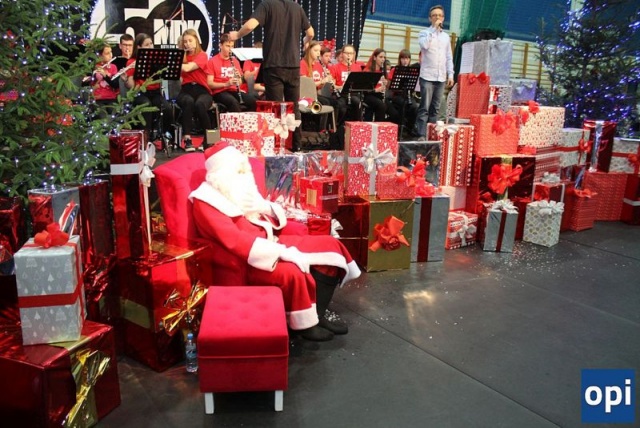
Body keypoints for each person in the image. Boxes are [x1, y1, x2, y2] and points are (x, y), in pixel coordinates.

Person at [190, 142, 361, 341]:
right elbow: (235, 241)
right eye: (239, 170)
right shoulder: (206, 202)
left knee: (330, 245)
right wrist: (282, 252)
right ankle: (305, 325)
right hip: (250, 258)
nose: (245, 173)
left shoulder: (237, 188)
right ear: (221, 174)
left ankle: (318, 314)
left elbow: (264, 220)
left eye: (244, 168)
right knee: (293, 272)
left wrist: (265, 207)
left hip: (269, 239)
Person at [229, 0, 314, 151]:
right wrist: (305, 41)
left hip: (274, 65)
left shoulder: (267, 5)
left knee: (276, 108)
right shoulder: (297, 7)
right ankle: (296, 146)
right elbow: (311, 33)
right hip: (293, 65)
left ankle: (277, 146)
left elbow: (250, 25)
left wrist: (237, 35)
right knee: (294, 107)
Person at [122, 33, 173, 141]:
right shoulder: (132, 62)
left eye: (151, 43)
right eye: (147, 45)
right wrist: (126, 79)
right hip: (140, 93)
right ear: (139, 47)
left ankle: (162, 135)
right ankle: (145, 139)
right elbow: (132, 86)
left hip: (155, 93)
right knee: (146, 106)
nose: (150, 47)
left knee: (167, 109)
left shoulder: (157, 60)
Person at [414, 4, 454, 139]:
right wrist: (433, 30)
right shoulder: (424, 33)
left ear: (443, 18)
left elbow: (449, 57)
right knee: (424, 107)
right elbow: (424, 46)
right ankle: (421, 134)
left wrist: (451, 74)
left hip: (441, 76)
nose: (438, 18)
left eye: (440, 15)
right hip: (427, 76)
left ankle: (431, 134)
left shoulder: (446, 37)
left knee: (435, 108)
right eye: (435, 15)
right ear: (430, 18)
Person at [176, 29, 213, 152]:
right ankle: (187, 139)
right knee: (188, 101)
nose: (187, 44)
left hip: (202, 90)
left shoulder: (202, 55)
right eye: (185, 42)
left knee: (200, 104)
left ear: (196, 40)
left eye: (190, 40)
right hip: (186, 90)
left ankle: (209, 139)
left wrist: (172, 63)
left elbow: (188, 68)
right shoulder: (181, 57)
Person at [207, 33, 257, 112]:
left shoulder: (235, 61)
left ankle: (247, 120)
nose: (230, 49)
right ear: (220, 45)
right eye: (227, 46)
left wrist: (238, 79)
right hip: (219, 92)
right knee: (233, 102)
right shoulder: (212, 61)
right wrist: (226, 84)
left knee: (252, 101)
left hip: (233, 91)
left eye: (232, 46)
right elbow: (210, 84)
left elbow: (240, 82)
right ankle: (237, 120)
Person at [386, 49, 419, 138]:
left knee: (414, 107)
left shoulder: (412, 71)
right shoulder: (395, 70)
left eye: (407, 58)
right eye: (403, 58)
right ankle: (400, 128)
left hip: (408, 95)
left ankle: (410, 128)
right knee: (403, 104)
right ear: (400, 59)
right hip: (397, 95)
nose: (405, 61)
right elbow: (389, 85)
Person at [331, 44, 362, 121]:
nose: (349, 55)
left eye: (351, 53)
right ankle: (338, 126)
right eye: (346, 53)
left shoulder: (357, 67)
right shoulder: (335, 67)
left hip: (353, 94)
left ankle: (356, 124)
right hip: (340, 94)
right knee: (342, 108)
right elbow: (332, 85)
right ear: (342, 54)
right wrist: (341, 87)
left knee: (357, 102)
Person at [89, 44, 119, 114]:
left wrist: (105, 76)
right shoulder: (93, 67)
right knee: (102, 114)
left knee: (115, 113)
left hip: (111, 98)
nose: (110, 55)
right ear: (100, 56)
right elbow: (87, 83)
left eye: (111, 52)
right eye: (107, 53)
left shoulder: (113, 67)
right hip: (97, 99)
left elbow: (115, 85)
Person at [362, 48, 388, 122]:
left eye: (384, 57)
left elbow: (385, 87)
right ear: (374, 58)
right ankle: (378, 126)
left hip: (380, 96)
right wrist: (376, 90)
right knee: (382, 106)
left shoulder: (383, 71)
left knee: (392, 111)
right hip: (369, 95)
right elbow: (365, 89)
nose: (383, 59)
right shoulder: (368, 71)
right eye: (380, 57)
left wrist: (385, 84)